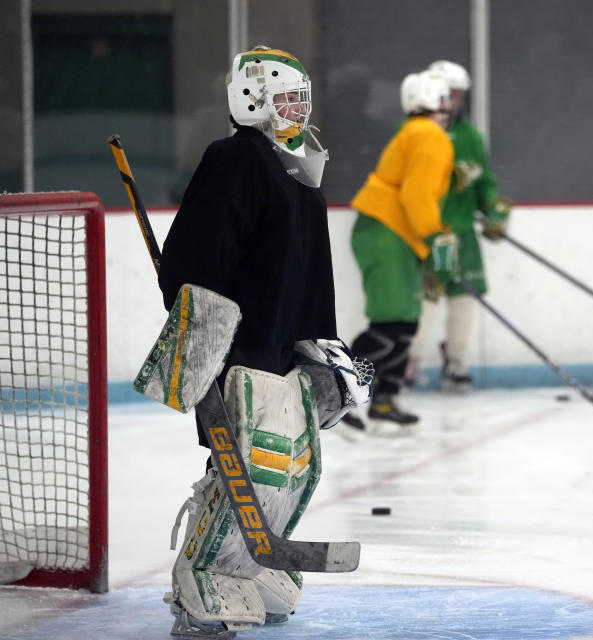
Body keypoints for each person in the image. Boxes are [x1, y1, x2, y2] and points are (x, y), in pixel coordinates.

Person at [154, 46, 371, 635]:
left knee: (292, 468)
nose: (297, 109)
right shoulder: (237, 162)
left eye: (302, 97)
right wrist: (202, 347)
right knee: (252, 466)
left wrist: (321, 349)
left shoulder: (299, 175)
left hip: (281, 352)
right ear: (251, 99)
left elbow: (310, 280)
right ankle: (205, 576)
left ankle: (246, 563)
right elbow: (194, 264)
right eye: (285, 97)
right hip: (240, 350)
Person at [341, 70, 457, 435]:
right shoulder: (430, 136)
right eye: (445, 98)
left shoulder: (415, 133)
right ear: (434, 101)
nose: (450, 105)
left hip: (394, 234)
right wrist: (434, 237)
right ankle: (340, 396)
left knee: (406, 322)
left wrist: (426, 245)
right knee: (390, 323)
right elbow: (416, 196)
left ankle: (385, 399)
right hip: (386, 233)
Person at [405, 60, 511, 393]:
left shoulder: (470, 136)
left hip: (463, 238)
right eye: (449, 94)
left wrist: (495, 212)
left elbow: (486, 183)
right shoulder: (418, 133)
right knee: (423, 303)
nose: (454, 102)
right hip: (430, 235)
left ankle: (456, 364)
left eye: (459, 95)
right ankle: (408, 363)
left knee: (466, 302)